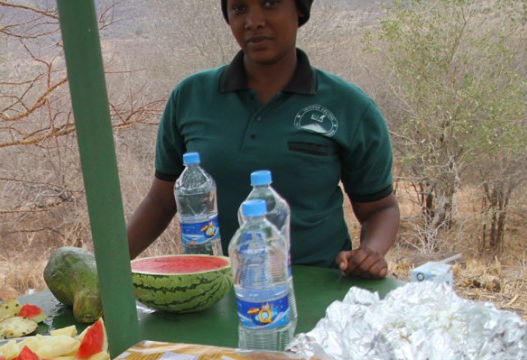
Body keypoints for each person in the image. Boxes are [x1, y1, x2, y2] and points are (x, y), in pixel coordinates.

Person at [127, 0, 400, 278]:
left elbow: (380, 209)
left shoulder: (348, 106)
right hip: (214, 288)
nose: (254, 21)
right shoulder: (191, 97)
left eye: (270, 3)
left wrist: (370, 253)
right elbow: (161, 202)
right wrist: (107, 267)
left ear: (299, 10)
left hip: (320, 289)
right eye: (239, 8)